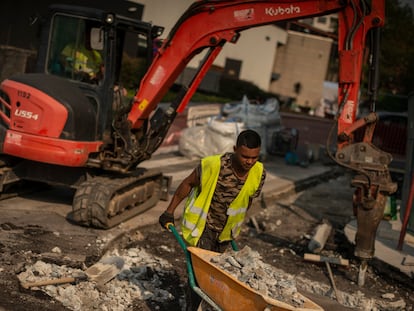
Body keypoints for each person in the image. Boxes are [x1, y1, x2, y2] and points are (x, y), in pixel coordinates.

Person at [159, 129, 266, 311]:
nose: (249, 162)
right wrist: (169, 211)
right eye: (244, 156)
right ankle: (193, 308)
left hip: (226, 233)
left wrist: (236, 225)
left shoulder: (259, 172)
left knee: (219, 276)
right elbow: (187, 183)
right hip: (204, 228)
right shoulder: (213, 165)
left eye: (254, 157)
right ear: (235, 149)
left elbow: (248, 199)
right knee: (200, 277)